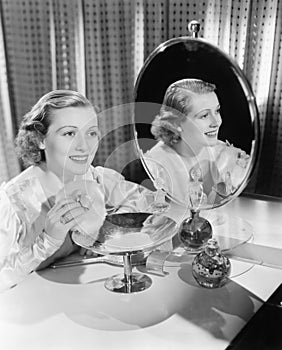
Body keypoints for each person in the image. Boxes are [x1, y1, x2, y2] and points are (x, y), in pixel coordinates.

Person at [0, 90, 151, 292]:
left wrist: (104, 233)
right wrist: (47, 241)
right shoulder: (12, 203)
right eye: (69, 133)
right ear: (40, 139)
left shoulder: (95, 178)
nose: (84, 147)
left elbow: (146, 201)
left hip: (84, 294)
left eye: (91, 133)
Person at [144, 78, 250, 208]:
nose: (216, 122)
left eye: (217, 111)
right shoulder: (156, 165)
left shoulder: (226, 155)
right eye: (204, 115)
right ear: (177, 124)